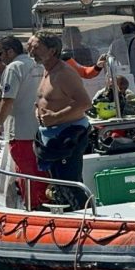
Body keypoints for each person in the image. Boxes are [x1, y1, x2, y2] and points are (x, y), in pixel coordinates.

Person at [29, 32, 92, 210]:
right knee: (59, 183)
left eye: (36, 47)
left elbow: (85, 103)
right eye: (30, 46)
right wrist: (38, 110)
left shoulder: (64, 73)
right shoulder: (47, 69)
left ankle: (86, 217)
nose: (30, 51)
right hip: (51, 135)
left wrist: (55, 117)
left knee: (70, 184)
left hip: (68, 134)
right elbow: (48, 99)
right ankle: (71, 214)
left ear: (52, 50)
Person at [0, 37, 47, 208]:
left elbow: (7, 100)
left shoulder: (13, 68)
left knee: (25, 170)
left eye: (0, 53)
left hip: (20, 130)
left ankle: (33, 206)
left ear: (10, 51)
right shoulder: (38, 64)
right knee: (41, 169)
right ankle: (45, 200)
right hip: (41, 128)